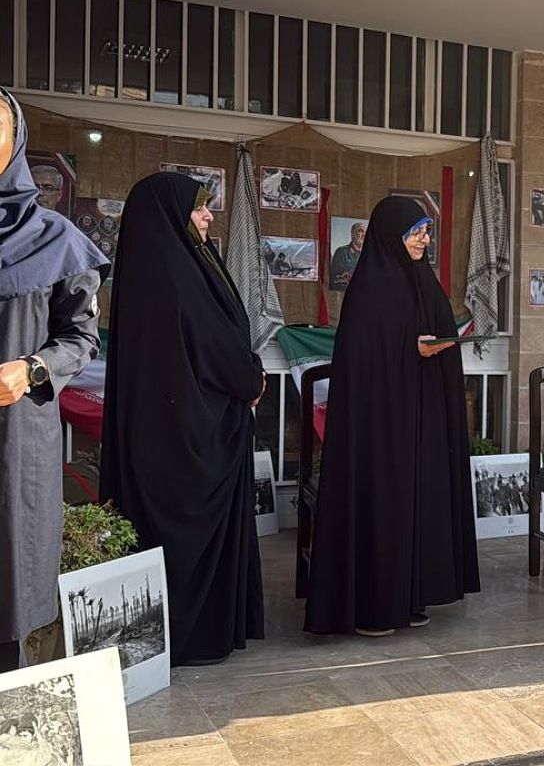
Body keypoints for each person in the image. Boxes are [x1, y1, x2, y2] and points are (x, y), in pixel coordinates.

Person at [100, 172, 266, 667]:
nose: (209, 216)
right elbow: (213, 343)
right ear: (172, 215)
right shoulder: (175, 274)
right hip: (188, 439)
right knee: (181, 540)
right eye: (199, 208)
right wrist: (251, 381)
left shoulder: (170, 264)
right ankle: (194, 635)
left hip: (175, 433)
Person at [304, 196, 480, 636]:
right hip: (380, 425)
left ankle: (411, 593)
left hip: (421, 416)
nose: (424, 239)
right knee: (385, 502)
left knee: (419, 500)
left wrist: (433, 347)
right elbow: (363, 360)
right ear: (391, 235)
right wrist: (409, 349)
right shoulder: (370, 288)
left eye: (426, 231)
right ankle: (373, 605)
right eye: (416, 232)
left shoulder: (423, 280)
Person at [0, 88, 107, 673]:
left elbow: (79, 340)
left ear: (16, 140)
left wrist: (31, 369)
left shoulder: (56, 240)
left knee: (8, 594)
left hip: (16, 437)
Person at [329, 221, 366, 290]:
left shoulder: (368, 255)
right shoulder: (341, 252)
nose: (363, 235)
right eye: (360, 231)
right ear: (352, 234)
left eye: (365, 232)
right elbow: (333, 281)